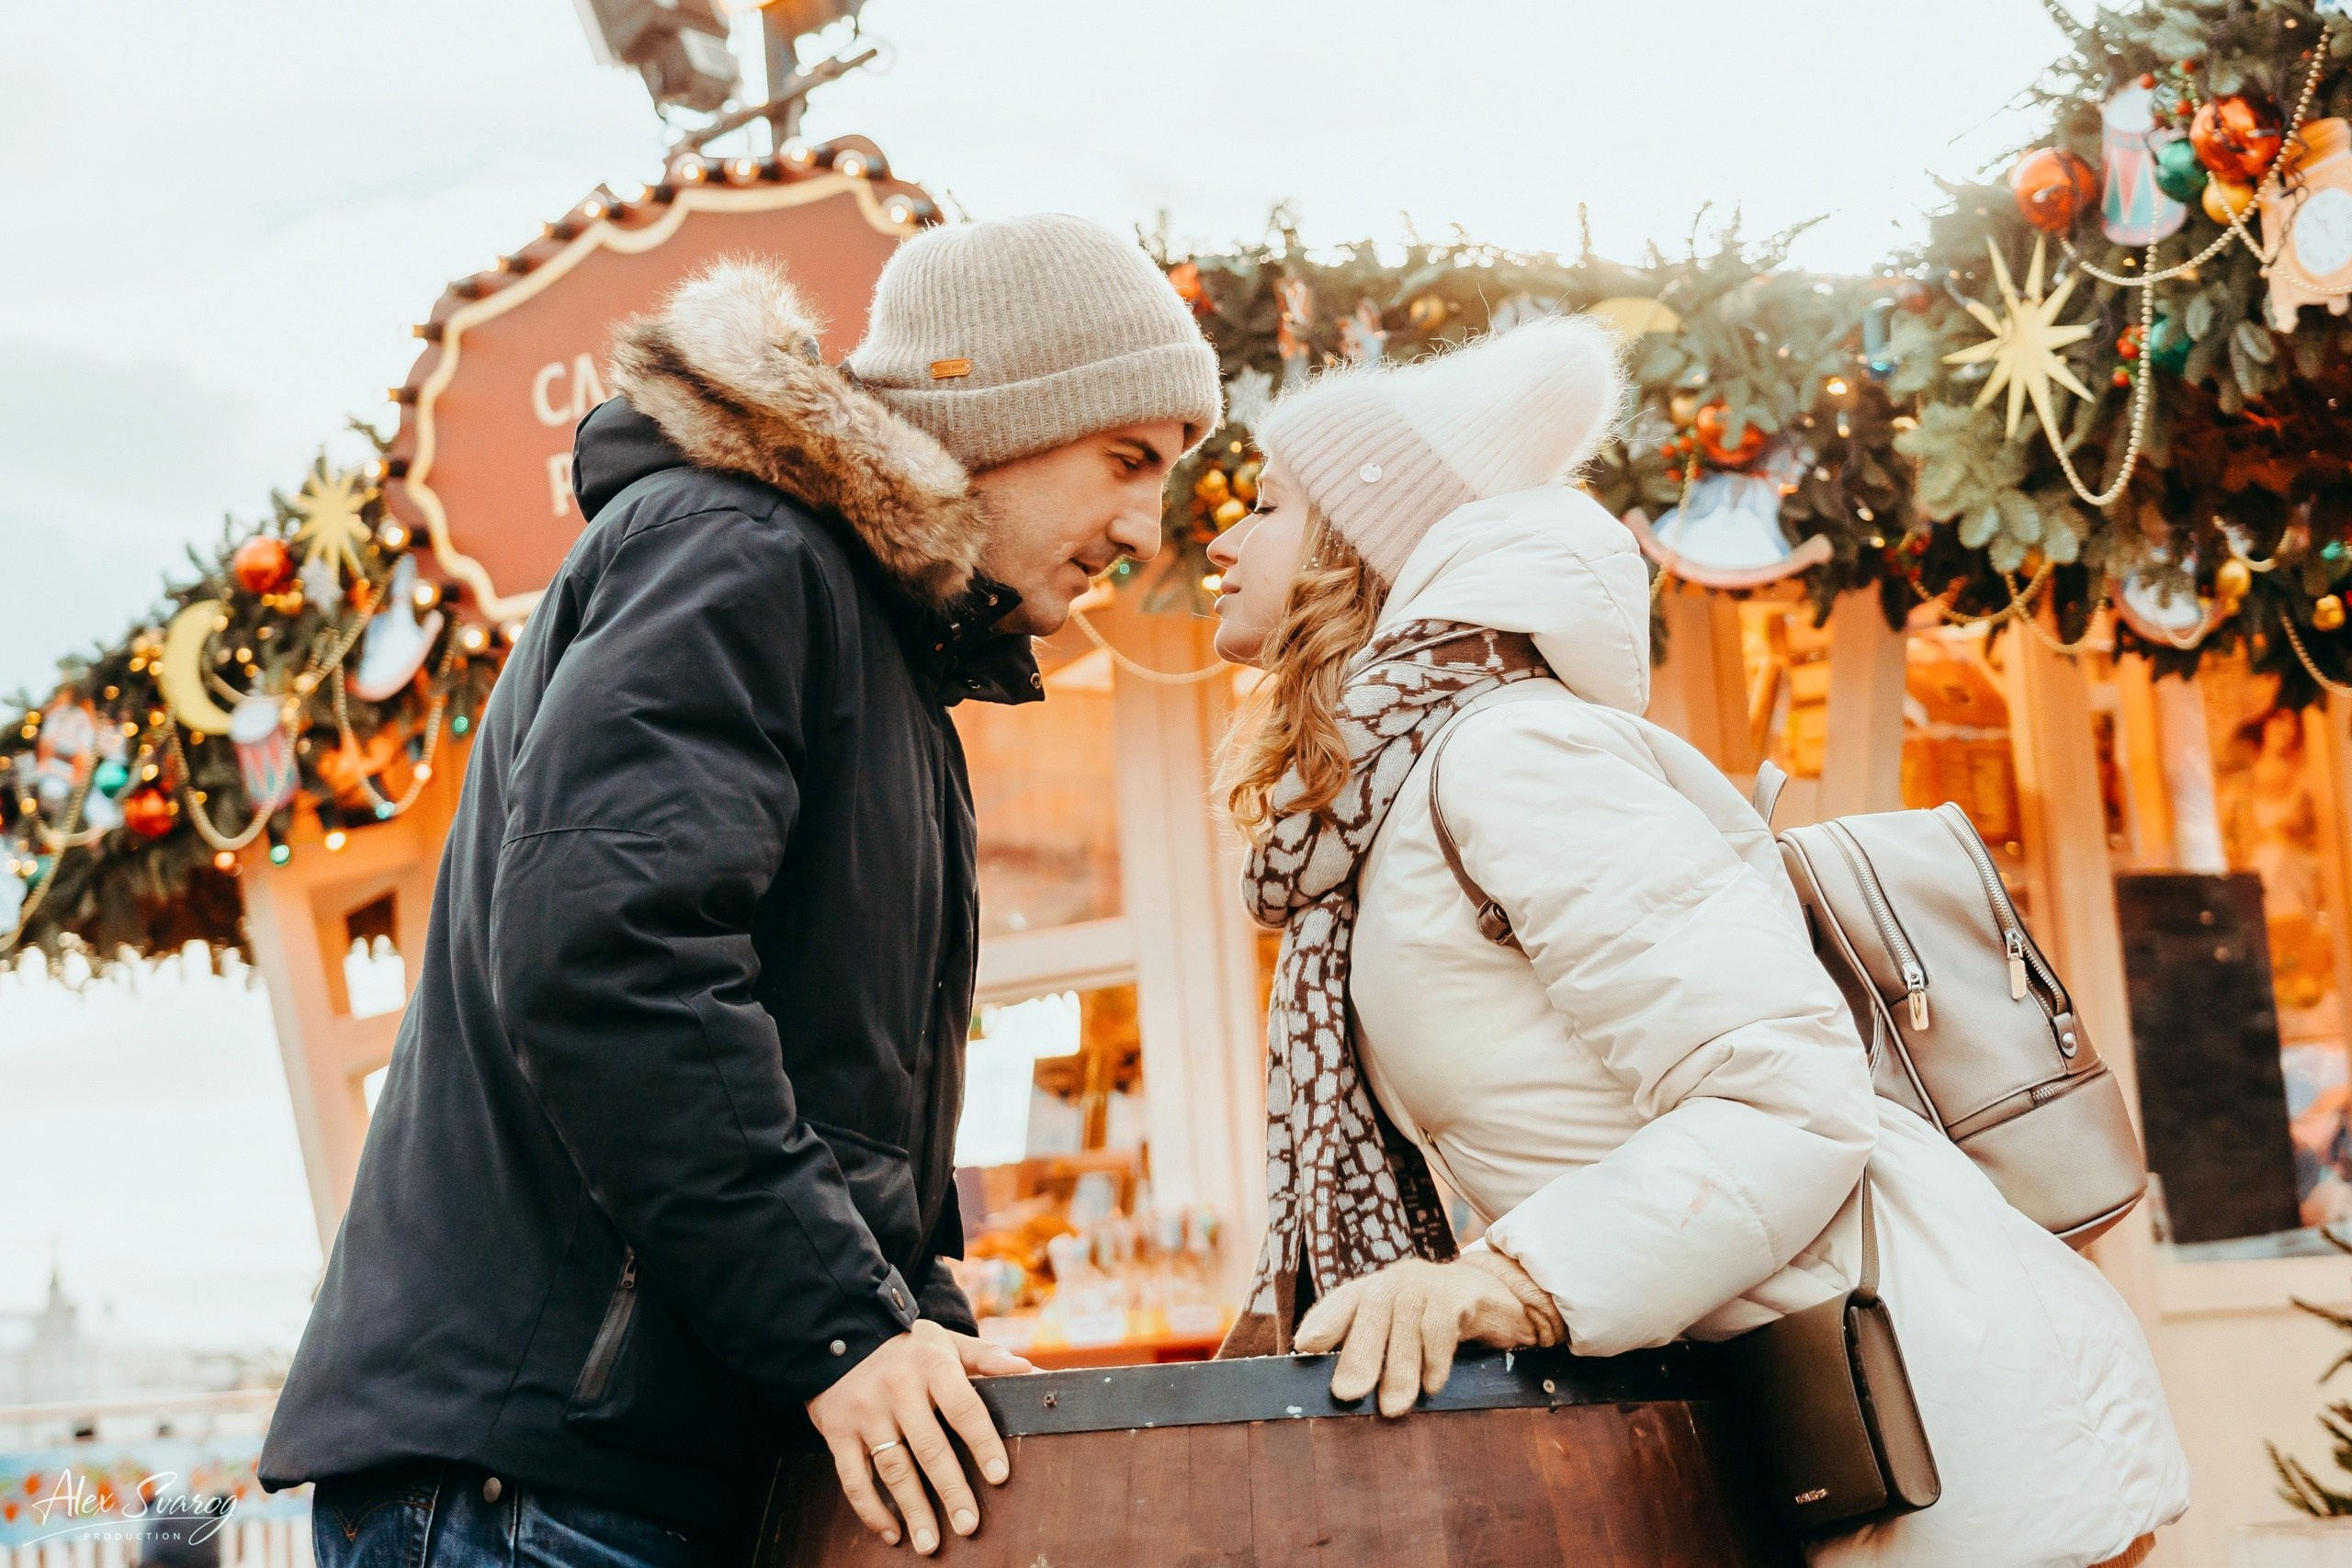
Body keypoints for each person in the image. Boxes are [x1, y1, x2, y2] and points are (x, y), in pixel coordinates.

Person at [259, 214, 1222, 1565]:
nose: (1143, 523)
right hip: (540, 1486)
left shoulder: (879, 660)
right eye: (1128, 458)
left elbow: (836, 1107)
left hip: (618, 1475)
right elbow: (614, 963)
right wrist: (846, 1331)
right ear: (997, 411)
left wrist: (921, 1325)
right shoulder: (741, 550)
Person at [1203, 316, 2189, 1567]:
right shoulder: (1388, 806)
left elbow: (1785, 1097)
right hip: (1816, 1440)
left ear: (1362, 543)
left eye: (1272, 505)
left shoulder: (1512, 756)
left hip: (1934, 1446)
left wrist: (1505, 1280)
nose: (1228, 540)